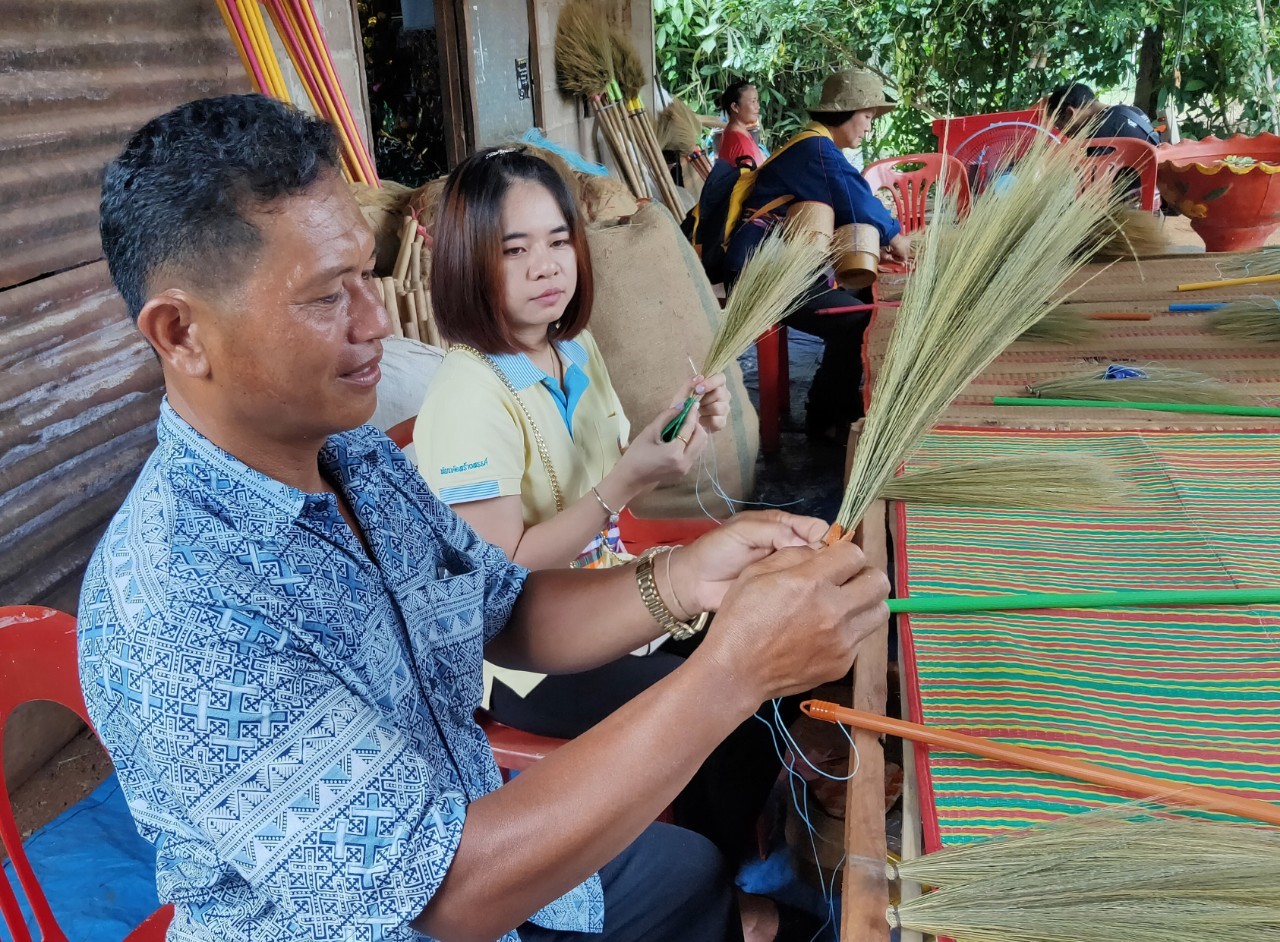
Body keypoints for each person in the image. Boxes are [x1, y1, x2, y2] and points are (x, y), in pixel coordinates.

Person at [80, 93, 890, 942]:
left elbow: (501, 608)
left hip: (481, 839)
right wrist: (732, 672)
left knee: (690, 877)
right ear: (181, 333)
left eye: (365, 273)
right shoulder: (178, 607)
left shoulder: (352, 461)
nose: (376, 320)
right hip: (423, 908)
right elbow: (444, 895)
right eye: (326, 297)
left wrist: (687, 577)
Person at [413, 147, 790, 871]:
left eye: (558, 242)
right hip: (524, 652)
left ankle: (728, 852)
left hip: (607, 587)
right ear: (466, 262)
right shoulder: (467, 396)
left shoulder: (574, 349)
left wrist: (679, 431)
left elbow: (613, 481)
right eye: (513, 250)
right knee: (727, 709)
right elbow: (500, 569)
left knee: (766, 648)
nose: (546, 266)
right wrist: (623, 483)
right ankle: (710, 882)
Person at [726, 68, 911, 445]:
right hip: (764, 272)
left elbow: (848, 205)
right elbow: (857, 199)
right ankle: (825, 417)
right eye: (868, 118)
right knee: (853, 318)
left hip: (779, 261)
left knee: (860, 296)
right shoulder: (816, 150)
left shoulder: (815, 146)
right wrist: (896, 237)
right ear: (848, 111)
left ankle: (838, 403)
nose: (869, 128)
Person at [1045, 82, 1160, 145]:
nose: (1065, 134)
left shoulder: (1098, 133)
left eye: (1059, 125)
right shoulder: (1134, 111)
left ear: (1070, 113)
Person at [717, 80, 765, 168]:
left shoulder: (733, 132)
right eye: (753, 101)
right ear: (735, 107)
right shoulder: (740, 143)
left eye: (757, 101)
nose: (757, 106)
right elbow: (749, 180)